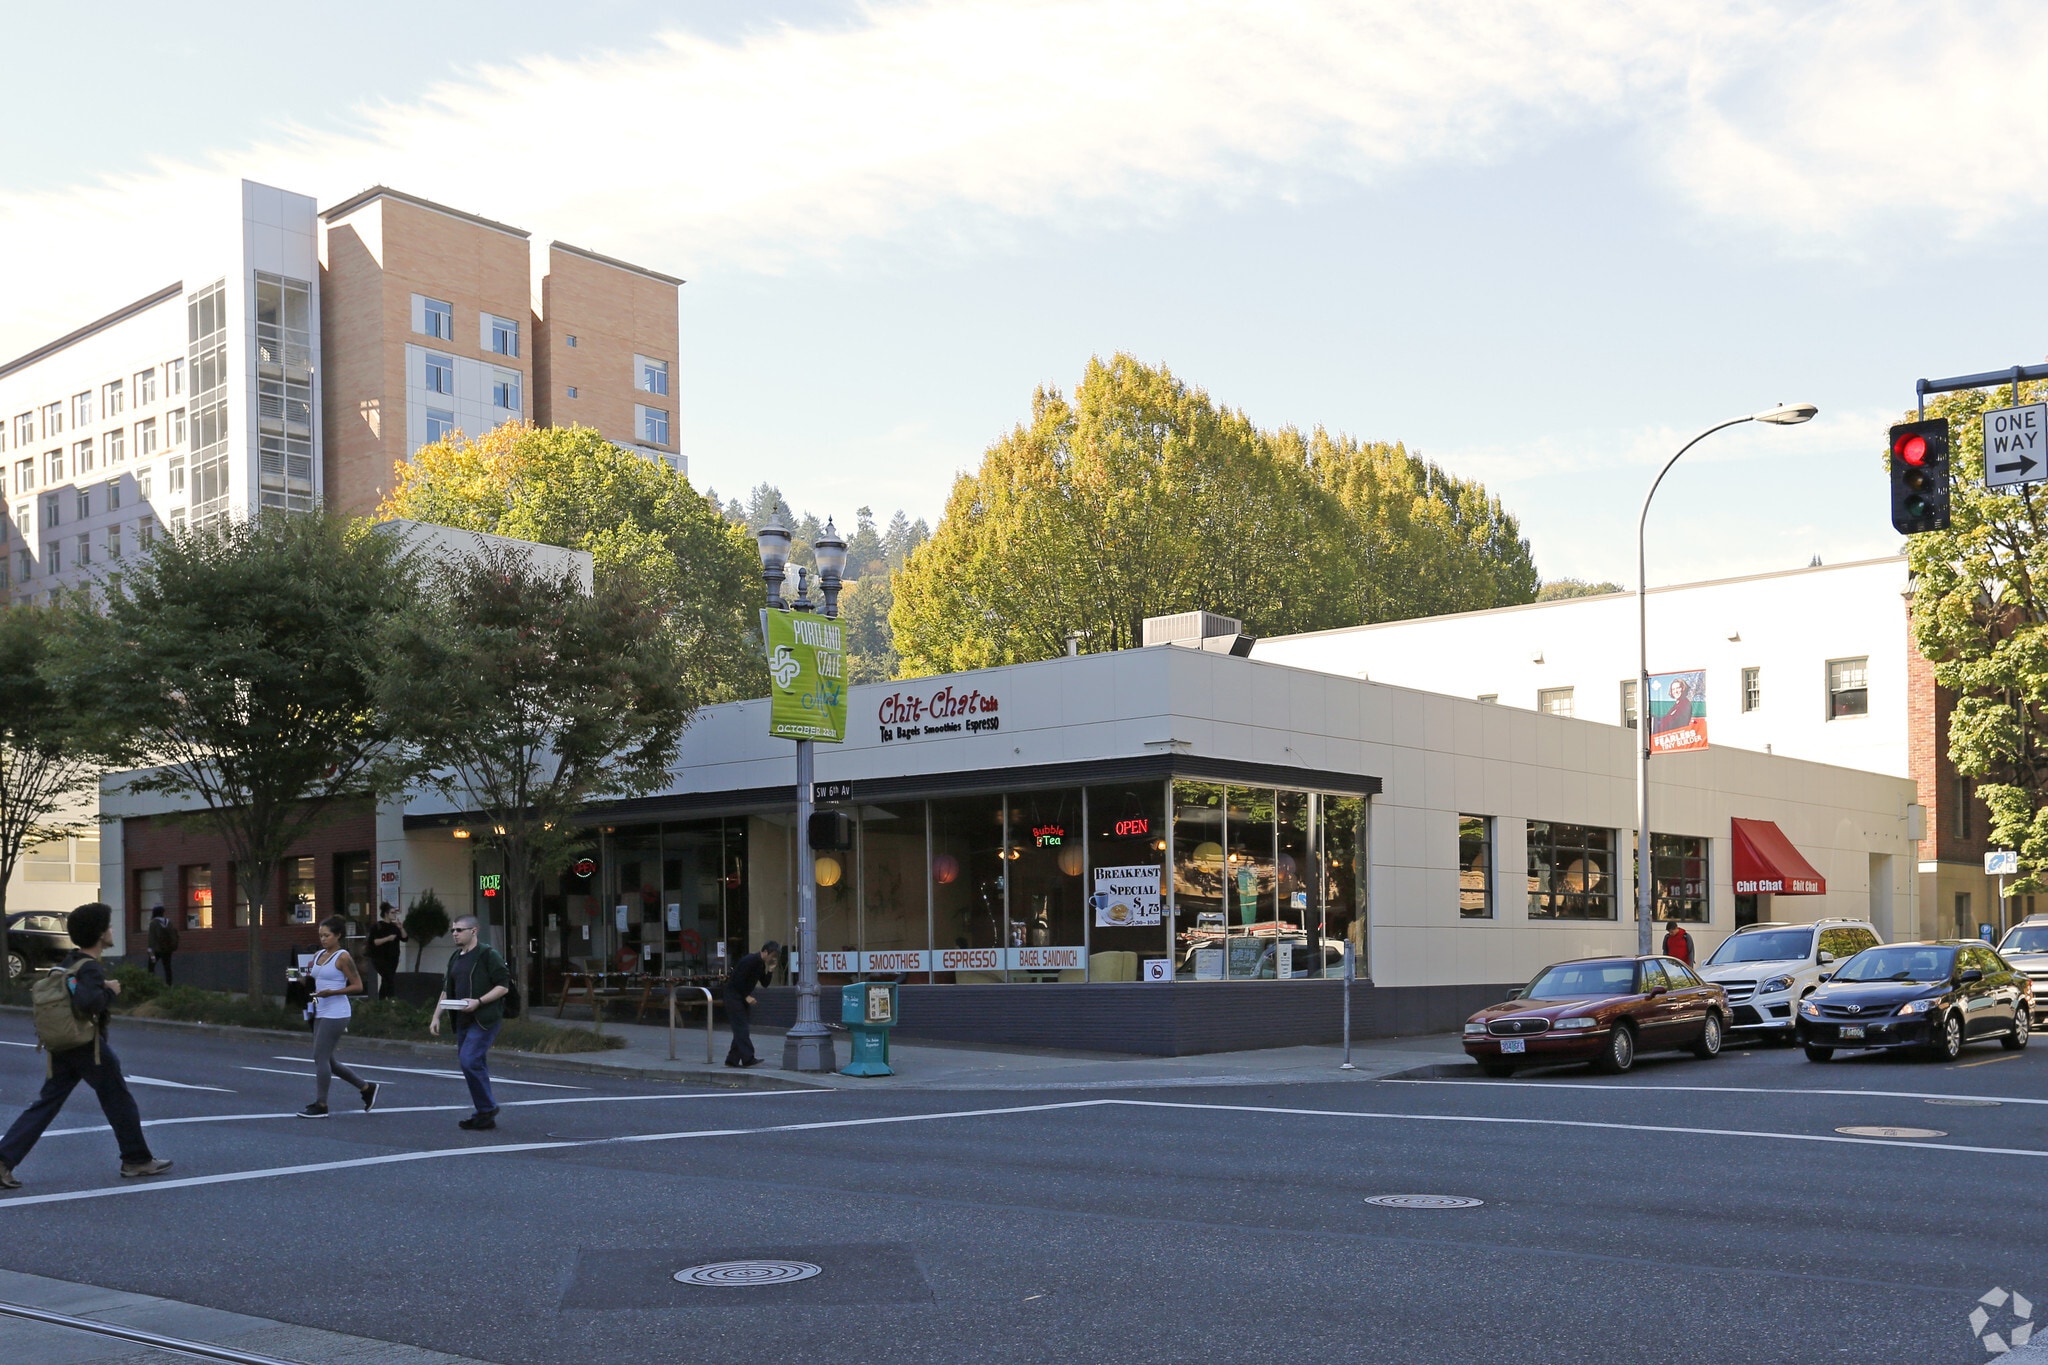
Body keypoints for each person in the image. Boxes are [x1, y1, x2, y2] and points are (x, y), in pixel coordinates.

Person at [0, 903, 172, 1188]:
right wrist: (109, 991)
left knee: (46, 1103)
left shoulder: (68, 962)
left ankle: (3, 1160)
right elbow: (87, 1004)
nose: (112, 930)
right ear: (100, 933)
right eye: (109, 926)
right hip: (85, 1044)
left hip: (60, 1043)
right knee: (118, 1098)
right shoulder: (89, 967)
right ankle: (136, 1160)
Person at [428, 916, 509, 1130]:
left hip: (484, 1018)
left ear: (474, 931)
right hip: (462, 1019)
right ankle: (484, 1113)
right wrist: (436, 1016)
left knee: (469, 1060)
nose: (454, 933)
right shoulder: (455, 957)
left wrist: (479, 1001)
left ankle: (487, 1108)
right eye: (453, 930)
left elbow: (503, 986)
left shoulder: (487, 955)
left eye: (459, 930)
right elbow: (446, 989)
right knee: (473, 1064)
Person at [299, 916, 379, 1119]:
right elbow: (312, 978)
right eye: (320, 935)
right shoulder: (318, 955)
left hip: (337, 1012)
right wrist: (297, 978)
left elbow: (358, 986)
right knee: (329, 1060)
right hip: (320, 1009)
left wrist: (332, 993)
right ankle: (366, 1088)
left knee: (320, 1057)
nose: (323, 939)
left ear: (338, 936)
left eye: (327, 935)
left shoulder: (343, 957)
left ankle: (321, 1104)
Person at [722, 940, 780, 1069]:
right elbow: (737, 980)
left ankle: (732, 1059)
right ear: (765, 952)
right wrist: (746, 996)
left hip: (740, 997)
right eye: (772, 955)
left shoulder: (760, 964)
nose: (773, 958)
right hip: (734, 996)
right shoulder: (750, 960)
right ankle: (748, 1058)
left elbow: (764, 983)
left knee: (740, 1028)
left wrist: (770, 971)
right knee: (742, 1028)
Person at [368, 902, 407, 1001]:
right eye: (392, 913)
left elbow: (405, 938)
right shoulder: (377, 926)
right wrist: (388, 938)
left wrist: (401, 928)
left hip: (393, 958)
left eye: (395, 913)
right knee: (389, 978)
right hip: (379, 958)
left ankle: (381, 1001)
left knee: (387, 979)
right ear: (386, 914)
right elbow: (374, 942)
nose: (395, 915)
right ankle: (391, 999)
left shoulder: (394, 927)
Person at [145, 906, 177, 985]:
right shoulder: (168, 922)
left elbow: (151, 938)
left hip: (156, 950)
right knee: (167, 967)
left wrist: (150, 950)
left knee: (151, 967)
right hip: (168, 949)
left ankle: (151, 984)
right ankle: (169, 985)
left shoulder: (153, 922)